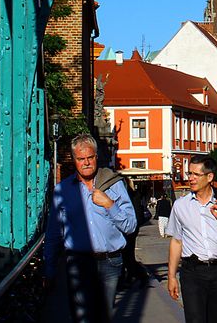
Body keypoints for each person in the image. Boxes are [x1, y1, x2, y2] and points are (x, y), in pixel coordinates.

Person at [44, 134, 137, 323]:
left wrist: (109, 204)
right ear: (73, 160)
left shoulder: (114, 184)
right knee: (82, 318)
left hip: (110, 262)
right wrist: (49, 268)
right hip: (78, 262)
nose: (86, 163)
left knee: (104, 317)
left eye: (90, 157)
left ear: (96, 157)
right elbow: (54, 234)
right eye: (81, 159)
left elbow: (130, 225)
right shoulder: (63, 191)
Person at [166, 156, 217, 323]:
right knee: (195, 319)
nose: (191, 178)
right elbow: (176, 241)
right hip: (192, 271)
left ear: (209, 177)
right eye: (190, 173)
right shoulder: (181, 205)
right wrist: (171, 276)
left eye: (196, 174)